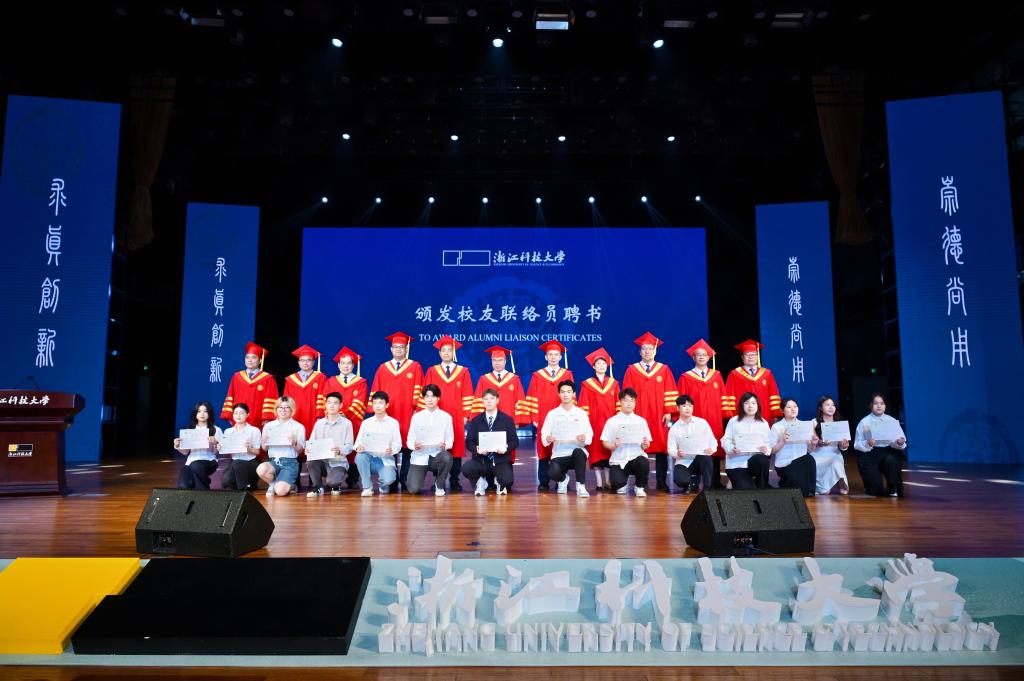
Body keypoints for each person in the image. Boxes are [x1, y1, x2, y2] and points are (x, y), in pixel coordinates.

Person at [621, 332, 678, 492]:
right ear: (640, 352)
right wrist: (630, 415)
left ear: (655, 351)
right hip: (639, 415)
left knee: (661, 448)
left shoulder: (664, 370)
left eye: (650, 349)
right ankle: (642, 481)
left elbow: (670, 391)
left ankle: (661, 481)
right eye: (644, 349)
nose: (647, 352)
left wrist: (669, 411)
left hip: (659, 415)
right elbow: (627, 394)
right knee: (639, 447)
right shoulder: (632, 370)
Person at [370, 332, 423, 493]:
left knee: (407, 447)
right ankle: (391, 480)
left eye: (402, 347)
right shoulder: (383, 368)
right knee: (389, 446)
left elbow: (419, 390)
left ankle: (405, 479)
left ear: (406, 349)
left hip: (408, 413)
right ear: (391, 349)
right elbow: (376, 392)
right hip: (389, 413)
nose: (399, 349)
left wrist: (417, 410)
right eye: (396, 347)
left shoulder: (415, 366)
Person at [419, 336, 473, 491]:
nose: (447, 353)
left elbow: (467, 394)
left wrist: (465, 415)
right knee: (438, 446)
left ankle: (455, 480)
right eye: (444, 350)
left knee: (456, 448)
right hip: (436, 416)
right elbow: (426, 395)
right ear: (439, 353)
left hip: (456, 416)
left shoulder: (463, 371)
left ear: (453, 352)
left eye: (450, 350)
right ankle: (438, 480)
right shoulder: (432, 371)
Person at [524, 339, 574, 491]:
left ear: (560, 357)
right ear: (546, 357)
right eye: (550, 354)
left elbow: (572, 396)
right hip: (543, 417)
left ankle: (561, 480)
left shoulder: (567, 374)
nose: (553, 357)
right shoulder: (538, 375)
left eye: (556, 354)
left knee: (561, 448)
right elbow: (532, 396)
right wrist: (534, 417)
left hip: (562, 417)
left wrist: (571, 417)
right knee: (544, 449)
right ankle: (544, 481)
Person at [677, 339, 727, 488]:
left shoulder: (716, 375)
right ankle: (694, 480)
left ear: (709, 357)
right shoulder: (686, 377)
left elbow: (723, 397)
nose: (701, 357)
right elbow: (681, 399)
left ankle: (715, 480)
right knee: (694, 445)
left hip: (714, 417)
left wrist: (725, 414)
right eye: (698, 355)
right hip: (694, 418)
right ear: (693, 358)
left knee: (713, 447)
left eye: (704, 355)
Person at [319, 346, 367, 489]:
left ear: (353, 365)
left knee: (353, 447)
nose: (346, 366)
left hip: (354, 421)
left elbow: (359, 402)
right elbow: (325, 400)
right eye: (343, 363)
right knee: (334, 446)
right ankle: (333, 476)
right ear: (338, 365)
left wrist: (343, 415)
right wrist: (335, 416)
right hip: (333, 422)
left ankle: (353, 478)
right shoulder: (330, 381)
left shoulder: (361, 382)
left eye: (349, 363)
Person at [540, 380, 592, 497]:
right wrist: (547, 438)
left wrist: (585, 437)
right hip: (559, 453)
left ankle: (581, 486)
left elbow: (589, 434)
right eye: (562, 392)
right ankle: (563, 480)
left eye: (569, 392)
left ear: (574, 394)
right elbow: (544, 434)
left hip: (576, 454)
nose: (565, 394)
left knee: (579, 452)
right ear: (559, 394)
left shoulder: (581, 413)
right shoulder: (552, 414)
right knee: (552, 472)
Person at [463, 388, 520, 495]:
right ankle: (480, 481)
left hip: (500, 460)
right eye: (486, 399)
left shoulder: (507, 420)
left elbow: (515, 441)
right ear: (482, 401)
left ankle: (498, 481)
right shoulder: (476, 420)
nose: (489, 401)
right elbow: (469, 441)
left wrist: (506, 448)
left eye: (492, 398)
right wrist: (476, 449)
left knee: (507, 481)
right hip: (481, 460)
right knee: (466, 468)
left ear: (497, 400)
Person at [578, 347, 619, 492]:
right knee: (595, 450)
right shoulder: (587, 384)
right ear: (593, 366)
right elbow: (584, 405)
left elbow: (618, 403)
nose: (601, 366)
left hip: (610, 422)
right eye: (598, 364)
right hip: (594, 423)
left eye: (603, 363)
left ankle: (607, 480)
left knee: (608, 449)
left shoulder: (614, 384)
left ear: (607, 366)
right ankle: (599, 482)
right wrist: (585, 423)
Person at [600, 387, 652, 497]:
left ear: (635, 402)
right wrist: (614, 445)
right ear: (620, 402)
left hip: (636, 457)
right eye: (626, 400)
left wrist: (645, 445)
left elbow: (646, 444)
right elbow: (604, 442)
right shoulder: (612, 421)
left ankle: (639, 486)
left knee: (643, 462)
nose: (629, 404)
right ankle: (622, 484)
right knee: (617, 484)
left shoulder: (641, 421)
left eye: (632, 401)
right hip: (619, 459)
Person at [854, 393, 908, 497]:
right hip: (870, 454)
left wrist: (899, 442)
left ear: (885, 406)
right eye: (876, 403)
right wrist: (867, 443)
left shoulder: (892, 421)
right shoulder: (865, 422)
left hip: (888, 451)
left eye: (882, 403)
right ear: (871, 406)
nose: (879, 406)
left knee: (891, 460)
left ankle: (893, 487)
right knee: (876, 491)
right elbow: (857, 444)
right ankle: (870, 485)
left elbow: (901, 442)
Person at [406, 384, 454, 496]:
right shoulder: (416, 417)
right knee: (413, 489)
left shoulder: (446, 417)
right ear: (423, 398)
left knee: (447, 457)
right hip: (420, 456)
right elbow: (410, 439)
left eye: (433, 396)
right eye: (427, 396)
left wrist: (445, 445)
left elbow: (450, 440)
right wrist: (414, 446)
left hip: (437, 456)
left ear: (438, 398)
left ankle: (439, 485)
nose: (430, 399)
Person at [354, 391, 403, 497]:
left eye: (381, 403)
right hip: (370, 459)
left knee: (389, 479)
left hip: (385, 460)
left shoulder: (393, 423)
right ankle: (367, 487)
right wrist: (358, 447)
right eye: (375, 403)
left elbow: (398, 443)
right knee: (360, 457)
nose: (377, 406)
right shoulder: (366, 423)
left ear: (387, 405)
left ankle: (383, 485)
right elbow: (358, 442)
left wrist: (392, 450)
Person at [305, 392, 354, 497]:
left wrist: (340, 450)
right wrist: (308, 449)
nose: (332, 406)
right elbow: (312, 443)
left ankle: (336, 485)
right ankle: (318, 487)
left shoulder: (347, 423)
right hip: (322, 462)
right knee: (311, 461)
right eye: (329, 403)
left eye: (335, 403)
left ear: (340, 405)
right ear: (325, 405)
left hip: (338, 462)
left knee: (332, 482)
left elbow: (350, 446)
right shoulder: (319, 424)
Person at [220, 342, 278, 429]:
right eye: (247, 357)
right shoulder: (237, 377)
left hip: (258, 421)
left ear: (260, 361)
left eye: (253, 357)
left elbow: (271, 399)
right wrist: (229, 414)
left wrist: (267, 418)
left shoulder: (268, 378)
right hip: (239, 418)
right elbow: (230, 395)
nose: (249, 360)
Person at [720, 392, 772, 490]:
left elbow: (769, 442)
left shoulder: (763, 423)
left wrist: (766, 449)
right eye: (747, 403)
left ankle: (762, 487)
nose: (750, 406)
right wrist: (732, 448)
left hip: (755, 461)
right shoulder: (733, 421)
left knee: (762, 460)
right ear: (742, 405)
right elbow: (725, 440)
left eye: (753, 403)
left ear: (757, 405)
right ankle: (734, 481)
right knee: (745, 491)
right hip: (737, 463)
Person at [257, 396, 306, 497]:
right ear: (276, 409)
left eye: (287, 407)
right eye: (280, 407)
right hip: (273, 462)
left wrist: (294, 443)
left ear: (291, 409)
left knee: (280, 492)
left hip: (290, 463)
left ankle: (290, 485)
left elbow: (300, 450)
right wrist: (264, 442)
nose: (283, 410)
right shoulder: (268, 426)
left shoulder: (298, 427)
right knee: (261, 469)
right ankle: (272, 484)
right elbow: (265, 449)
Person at [667, 394, 717, 492]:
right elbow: (671, 449)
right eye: (684, 406)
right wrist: (677, 453)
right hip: (684, 461)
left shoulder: (702, 423)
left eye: (690, 406)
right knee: (680, 480)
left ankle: (707, 488)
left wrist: (712, 449)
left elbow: (712, 440)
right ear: (678, 408)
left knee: (706, 459)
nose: (687, 408)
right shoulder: (674, 428)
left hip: (700, 459)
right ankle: (690, 482)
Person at [770, 397, 819, 498]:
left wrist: (813, 443)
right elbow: (773, 450)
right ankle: (791, 485)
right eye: (789, 407)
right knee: (800, 465)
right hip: (785, 462)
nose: (793, 409)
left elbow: (809, 450)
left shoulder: (805, 425)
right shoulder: (777, 427)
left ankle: (808, 491)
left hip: (802, 461)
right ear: (782, 410)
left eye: (795, 406)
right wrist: (782, 441)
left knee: (809, 458)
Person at [722, 339, 782, 421]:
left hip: (764, 414)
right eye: (747, 354)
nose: (750, 357)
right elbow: (729, 397)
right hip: (741, 416)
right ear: (742, 357)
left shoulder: (767, 374)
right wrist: (732, 415)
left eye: (753, 354)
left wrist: (775, 414)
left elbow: (773, 395)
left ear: (757, 356)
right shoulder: (734, 374)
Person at [473, 345, 529, 426]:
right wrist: (479, 423)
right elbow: (479, 402)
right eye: (494, 360)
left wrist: (517, 423)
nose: (497, 363)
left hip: (510, 422)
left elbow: (519, 400)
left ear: (505, 361)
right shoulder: (484, 380)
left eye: (500, 360)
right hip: (488, 424)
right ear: (491, 361)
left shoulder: (514, 379)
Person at [174, 400, 222, 489]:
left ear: (209, 414)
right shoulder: (189, 430)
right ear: (195, 414)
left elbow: (218, 451)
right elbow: (185, 452)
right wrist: (177, 445)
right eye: (199, 411)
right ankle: (204, 480)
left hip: (209, 460)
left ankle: (204, 492)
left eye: (205, 411)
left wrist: (215, 443)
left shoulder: (216, 429)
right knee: (183, 486)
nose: (202, 414)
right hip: (190, 462)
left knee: (196, 465)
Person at [283, 344, 326, 438]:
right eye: (302, 360)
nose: (305, 363)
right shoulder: (290, 379)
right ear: (298, 362)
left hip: (313, 416)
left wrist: (320, 416)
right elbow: (286, 400)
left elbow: (323, 398)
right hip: (295, 415)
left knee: (312, 439)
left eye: (308, 360)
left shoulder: (320, 378)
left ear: (313, 362)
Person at [810, 395, 851, 495]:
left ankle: (840, 481)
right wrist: (820, 443)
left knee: (836, 458)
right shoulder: (814, 422)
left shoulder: (839, 423)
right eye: (827, 405)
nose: (831, 407)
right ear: (820, 408)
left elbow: (843, 445)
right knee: (825, 492)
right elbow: (811, 442)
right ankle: (825, 485)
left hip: (834, 453)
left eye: (833, 405)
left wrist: (844, 445)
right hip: (818, 454)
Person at [220, 403, 262, 491]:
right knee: (226, 481)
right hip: (234, 462)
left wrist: (249, 449)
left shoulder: (254, 430)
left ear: (247, 414)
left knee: (237, 463)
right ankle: (248, 486)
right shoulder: (228, 431)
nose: (238, 416)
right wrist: (221, 449)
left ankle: (244, 491)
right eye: (236, 413)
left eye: (241, 413)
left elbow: (257, 452)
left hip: (250, 462)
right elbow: (227, 454)